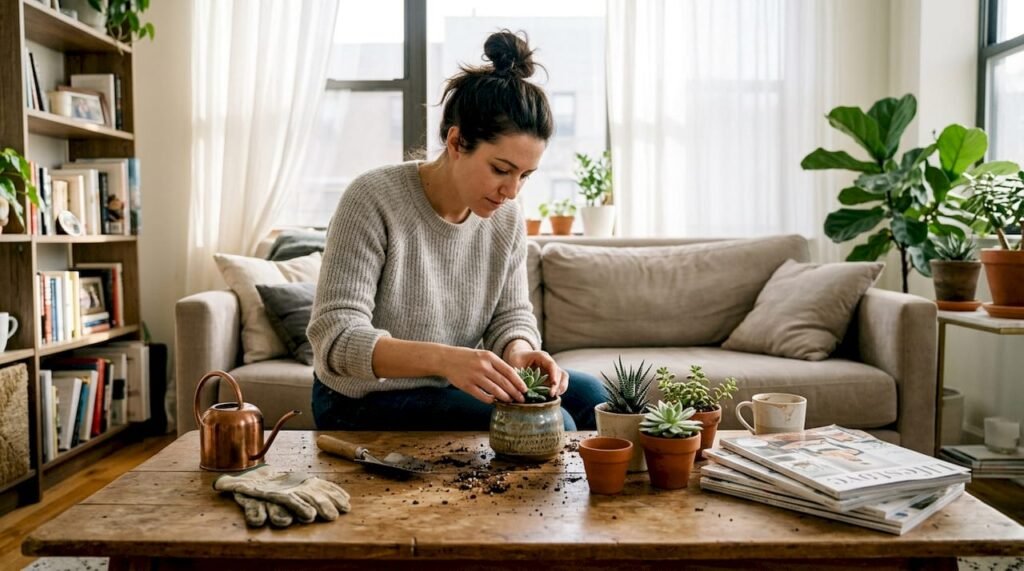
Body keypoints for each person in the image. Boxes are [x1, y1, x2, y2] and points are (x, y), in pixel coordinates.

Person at [308, 30, 605, 431]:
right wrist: (447, 359)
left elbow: (511, 316)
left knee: (596, 401)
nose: (511, 190)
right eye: (501, 169)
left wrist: (519, 352)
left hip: (446, 386)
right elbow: (337, 339)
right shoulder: (372, 198)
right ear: (457, 140)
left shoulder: (506, 217)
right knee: (555, 426)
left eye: (525, 175)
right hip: (360, 398)